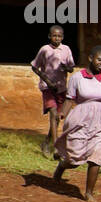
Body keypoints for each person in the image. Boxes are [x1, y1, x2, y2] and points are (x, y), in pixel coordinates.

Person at [52, 45, 101, 201]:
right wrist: (62, 114)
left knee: (97, 155)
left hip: (100, 120)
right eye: (99, 59)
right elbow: (69, 99)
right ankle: (62, 165)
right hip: (80, 118)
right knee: (75, 159)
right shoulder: (77, 77)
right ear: (90, 58)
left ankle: (89, 193)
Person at [31, 25, 75, 156]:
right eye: (54, 36)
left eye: (59, 36)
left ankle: (46, 142)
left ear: (63, 37)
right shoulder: (44, 49)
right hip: (47, 88)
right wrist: (47, 80)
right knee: (53, 113)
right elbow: (34, 66)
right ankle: (57, 148)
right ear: (49, 36)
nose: (57, 38)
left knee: (57, 118)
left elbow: (71, 68)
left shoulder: (66, 49)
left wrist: (66, 67)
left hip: (61, 88)